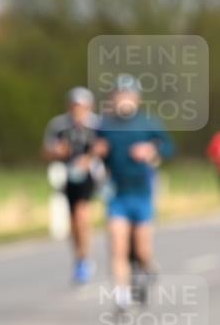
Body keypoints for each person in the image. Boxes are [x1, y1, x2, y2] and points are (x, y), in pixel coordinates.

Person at [93, 75, 174, 311]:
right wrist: (98, 151)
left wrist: (151, 149)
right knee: (117, 245)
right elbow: (93, 151)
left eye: (128, 95)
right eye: (119, 95)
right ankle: (122, 295)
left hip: (142, 193)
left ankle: (147, 268)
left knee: (141, 249)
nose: (124, 99)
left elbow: (168, 147)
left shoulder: (148, 123)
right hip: (117, 194)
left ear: (137, 99)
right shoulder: (104, 125)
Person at [42, 87, 101, 283]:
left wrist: (89, 158)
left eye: (82, 106)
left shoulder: (97, 125)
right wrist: (57, 152)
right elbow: (47, 152)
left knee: (82, 215)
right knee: (73, 221)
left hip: (89, 176)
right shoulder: (59, 126)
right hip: (67, 176)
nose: (78, 110)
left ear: (89, 107)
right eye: (75, 106)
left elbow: (105, 149)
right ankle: (79, 257)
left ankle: (85, 259)